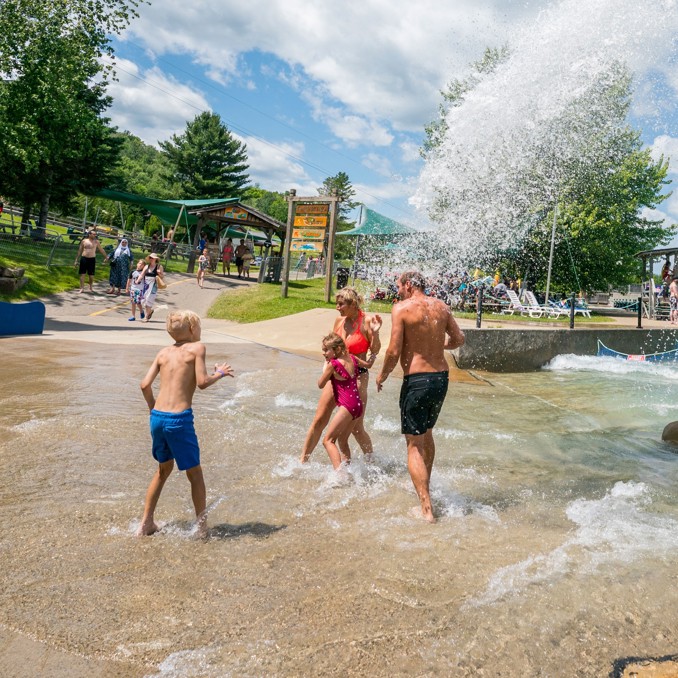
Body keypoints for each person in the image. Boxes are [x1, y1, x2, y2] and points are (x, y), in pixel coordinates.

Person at [376, 271, 465, 523]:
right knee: (427, 434)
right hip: (441, 379)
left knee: (413, 444)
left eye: (399, 287)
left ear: (409, 284)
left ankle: (426, 509)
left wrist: (382, 375)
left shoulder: (402, 309)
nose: (398, 292)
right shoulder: (442, 307)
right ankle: (425, 485)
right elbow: (459, 339)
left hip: (416, 380)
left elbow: (393, 350)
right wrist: (438, 346)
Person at [137, 310, 235, 537]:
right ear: (192, 329)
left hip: (158, 418)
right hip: (178, 419)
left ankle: (145, 524)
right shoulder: (197, 348)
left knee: (163, 470)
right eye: (199, 326)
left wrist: (153, 409)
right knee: (195, 474)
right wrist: (219, 373)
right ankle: (202, 529)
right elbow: (202, 383)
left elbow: (144, 385)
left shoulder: (162, 353)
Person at [300, 287, 382, 464]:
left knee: (356, 428)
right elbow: (331, 347)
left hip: (357, 377)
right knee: (320, 419)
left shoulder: (366, 321)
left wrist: (375, 333)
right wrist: (326, 366)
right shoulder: (339, 321)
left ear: (353, 304)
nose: (337, 307)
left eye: (341, 304)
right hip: (335, 375)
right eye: (337, 304)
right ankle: (303, 461)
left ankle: (372, 462)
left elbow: (374, 351)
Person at [318, 333, 375, 470]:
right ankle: (349, 469)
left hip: (348, 407)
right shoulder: (352, 358)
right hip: (357, 405)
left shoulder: (333, 364)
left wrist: (326, 367)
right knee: (343, 440)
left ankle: (340, 475)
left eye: (326, 350)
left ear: (337, 349)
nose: (323, 353)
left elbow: (320, 384)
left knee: (328, 441)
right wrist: (373, 356)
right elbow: (368, 365)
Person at [140, 252, 164, 322]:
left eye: (152, 258)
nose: (151, 259)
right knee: (143, 301)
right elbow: (142, 274)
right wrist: (138, 280)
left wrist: (159, 273)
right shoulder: (146, 266)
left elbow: (162, 277)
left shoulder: (159, 266)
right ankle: (150, 312)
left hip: (153, 286)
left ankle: (146, 317)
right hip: (146, 286)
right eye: (150, 258)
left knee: (148, 301)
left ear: (155, 259)